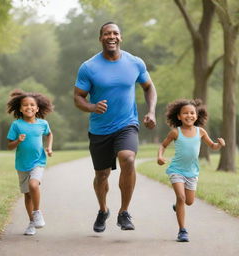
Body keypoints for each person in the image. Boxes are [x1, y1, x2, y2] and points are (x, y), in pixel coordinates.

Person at [74, 21, 157, 232]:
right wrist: (92, 107)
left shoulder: (135, 62)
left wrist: (151, 111)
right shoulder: (89, 67)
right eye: (107, 33)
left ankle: (124, 212)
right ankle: (103, 210)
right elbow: (78, 97)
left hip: (127, 123)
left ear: (121, 37)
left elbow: (149, 88)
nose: (112, 36)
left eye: (115, 33)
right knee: (102, 175)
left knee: (128, 158)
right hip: (100, 129)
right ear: (100, 38)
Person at [157, 99, 225, 242]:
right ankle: (182, 231)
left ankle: (178, 205)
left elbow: (212, 146)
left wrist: (219, 144)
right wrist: (160, 157)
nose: (189, 115)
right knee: (181, 197)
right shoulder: (176, 132)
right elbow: (163, 146)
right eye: (185, 113)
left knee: (189, 201)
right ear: (179, 116)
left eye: (192, 113)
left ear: (197, 115)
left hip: (192, 172)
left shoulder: (200, 131)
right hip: (176, 170)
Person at [7, 89, 53, 236]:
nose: (29, 107)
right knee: (27, 195)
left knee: (34, 184)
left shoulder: (43, 123)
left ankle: (37, 212)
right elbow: (9, 146)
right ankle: (32, 222)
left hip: (38, 161)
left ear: (37, 108)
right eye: (25, 105)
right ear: (20, 108)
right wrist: (17, 141)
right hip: (22, 164)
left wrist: (49, 147)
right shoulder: (16, 125)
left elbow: (49, 134)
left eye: (32, 105)